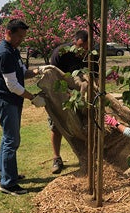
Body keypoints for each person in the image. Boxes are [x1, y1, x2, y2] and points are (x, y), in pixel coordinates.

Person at [0, 19, 46, 195]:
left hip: (12, 102)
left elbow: (21, 73)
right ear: (8, 32)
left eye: (23, 36)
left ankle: (5, 174)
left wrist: (38, 71)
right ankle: (8, 184)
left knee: (7, 139)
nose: (21, 40)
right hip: (7, 102)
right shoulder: (5, 54)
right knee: (11, 141)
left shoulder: (13, 51)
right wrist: (33, 98)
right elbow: (12, 85)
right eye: (19, 36)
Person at [46, 30, 96, 174]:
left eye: (87, 47)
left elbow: (95, 76)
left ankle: (88, 156)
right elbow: (53, 77)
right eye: (82, 46)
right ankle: (56, 158)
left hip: (84, 96)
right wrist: (66, 94)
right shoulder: (61, 53)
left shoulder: (92, 54)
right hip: (61, 95)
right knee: (57, 126)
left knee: (86, 124)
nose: (84, 50)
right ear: (75, 41)